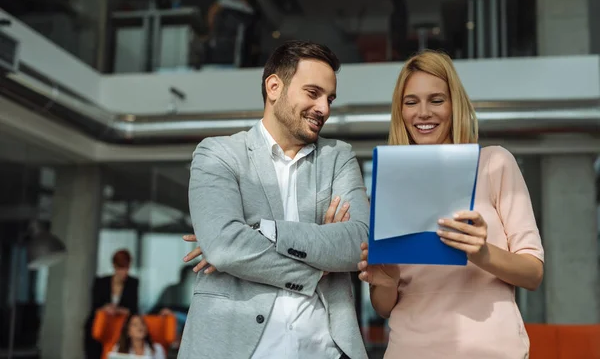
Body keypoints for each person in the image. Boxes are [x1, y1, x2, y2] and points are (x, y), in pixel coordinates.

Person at [176, 40, 371, 359]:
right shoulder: (219, 154)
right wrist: (318, 266)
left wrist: (261, 231)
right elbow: (225, 247)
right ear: (274, 86)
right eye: (313, 93)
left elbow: (360, 241)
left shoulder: (339, 157)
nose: (324, 108)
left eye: (329, 98)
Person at [357, 50, 544, 358]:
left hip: (491, 350)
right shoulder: (395, 180)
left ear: (454, 104)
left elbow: (533, 273)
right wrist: (386, 282)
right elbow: (384, 307)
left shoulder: (494, 163)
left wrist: (482, 253)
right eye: (411, 102)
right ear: (400, 111)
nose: (423, 113)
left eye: (436, 100)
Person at [84, 249, 139, 359]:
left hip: (120, 330)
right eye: (121, 268)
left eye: (127, 268)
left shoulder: (133, 283)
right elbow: (95, 306)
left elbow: (134, 309)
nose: (125, 272)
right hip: (101, 327)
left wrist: (118, 310)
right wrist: (106, 308)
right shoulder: (101, 282)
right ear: (114, 266)